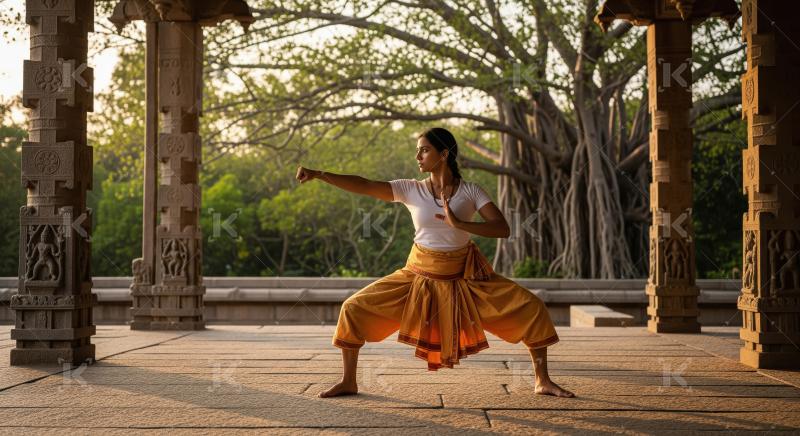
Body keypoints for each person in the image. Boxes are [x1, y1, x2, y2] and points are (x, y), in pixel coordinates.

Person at [295, 127, 574, 399]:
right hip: (417, 276)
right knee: (353, 308)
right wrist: (320, 175)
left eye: (424, 150)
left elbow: (502, 228)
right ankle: (348, 381)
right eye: (417, 151)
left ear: (444, 153)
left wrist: (460, 223)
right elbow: (365, 185)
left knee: (532, 307)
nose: (418, 157)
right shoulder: (410, 189)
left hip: (465, 279)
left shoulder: (471, 191)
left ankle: (543, 380)